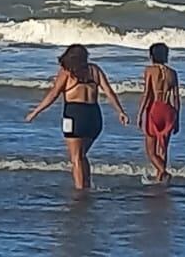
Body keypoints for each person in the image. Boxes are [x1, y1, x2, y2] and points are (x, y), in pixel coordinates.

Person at [25, 43, 131, 191]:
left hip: (74, 116)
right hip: (94, 117)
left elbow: (53, 94)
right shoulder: (94, 70)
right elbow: (109, 92)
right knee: (82, 155)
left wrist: (36, 111)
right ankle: (87, 185)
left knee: (76, 158)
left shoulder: (67, 73)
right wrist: (120, 111)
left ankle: (80, 190)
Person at [138, 43, 181, 182]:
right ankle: (160, 178)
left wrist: (140, 113)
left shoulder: (150, 70)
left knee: (151, 151)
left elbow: (147, 94)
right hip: (168, 110)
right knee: (163, 148)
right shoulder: (172, 73)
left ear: (152, 56)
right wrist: (177, 119)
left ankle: (163, 171)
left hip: (155, 109)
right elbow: (176, 98)